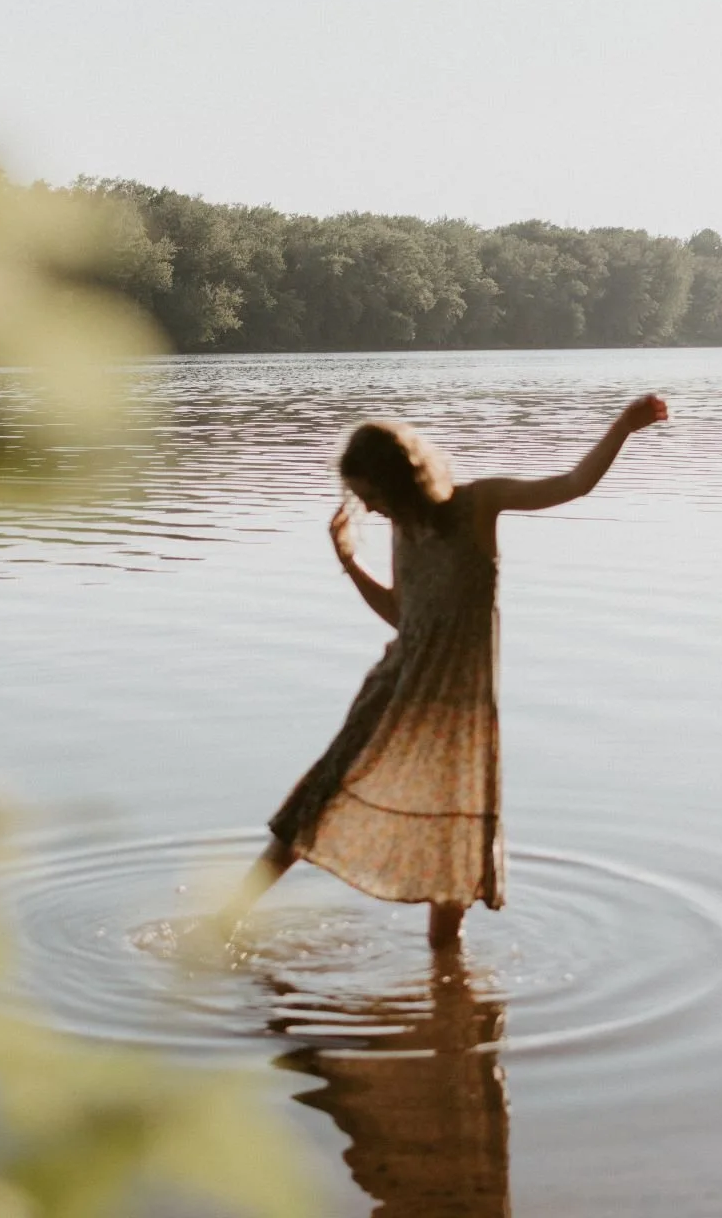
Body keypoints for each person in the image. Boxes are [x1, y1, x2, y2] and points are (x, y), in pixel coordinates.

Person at [225, 394, 670, 948]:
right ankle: (227, 918)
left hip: (459, 705)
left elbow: (573, 484)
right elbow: (401, 615)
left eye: (374, 496)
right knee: (317, 795)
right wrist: (347, 562)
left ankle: (446, 971)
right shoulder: (402, 530)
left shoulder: (480, 504)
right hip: (393, 689)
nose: (370, 510)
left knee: (451, 835)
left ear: (404, 479)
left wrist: (623, 427)